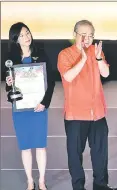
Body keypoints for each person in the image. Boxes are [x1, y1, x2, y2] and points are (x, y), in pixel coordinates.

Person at [57, 20, 117, 190]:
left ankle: (100, 184)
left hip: (97, 112)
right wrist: (82, 58)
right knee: (75, 155)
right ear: (75, 34)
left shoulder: (95, 51)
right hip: (76, 114)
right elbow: (68, 77)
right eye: (84, 34)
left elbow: (105, 73)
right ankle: (78, 186)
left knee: (100, 153)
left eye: (91, 35)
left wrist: (98, 57)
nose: (88, 38)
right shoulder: (65, 54)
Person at [5, 22, 55, 190]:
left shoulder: (40, 53)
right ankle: (29, 181)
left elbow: (51, 81)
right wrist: (8, 83)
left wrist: (44, 103)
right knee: (25, 146)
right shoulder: (10, 58)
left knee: (41, 145)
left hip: (39, 107)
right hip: (20, 108)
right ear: (15, 39)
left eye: (27, 33)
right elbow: (9, 87)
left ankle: (41, 181)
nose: (26, 37)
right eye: (21, 35)